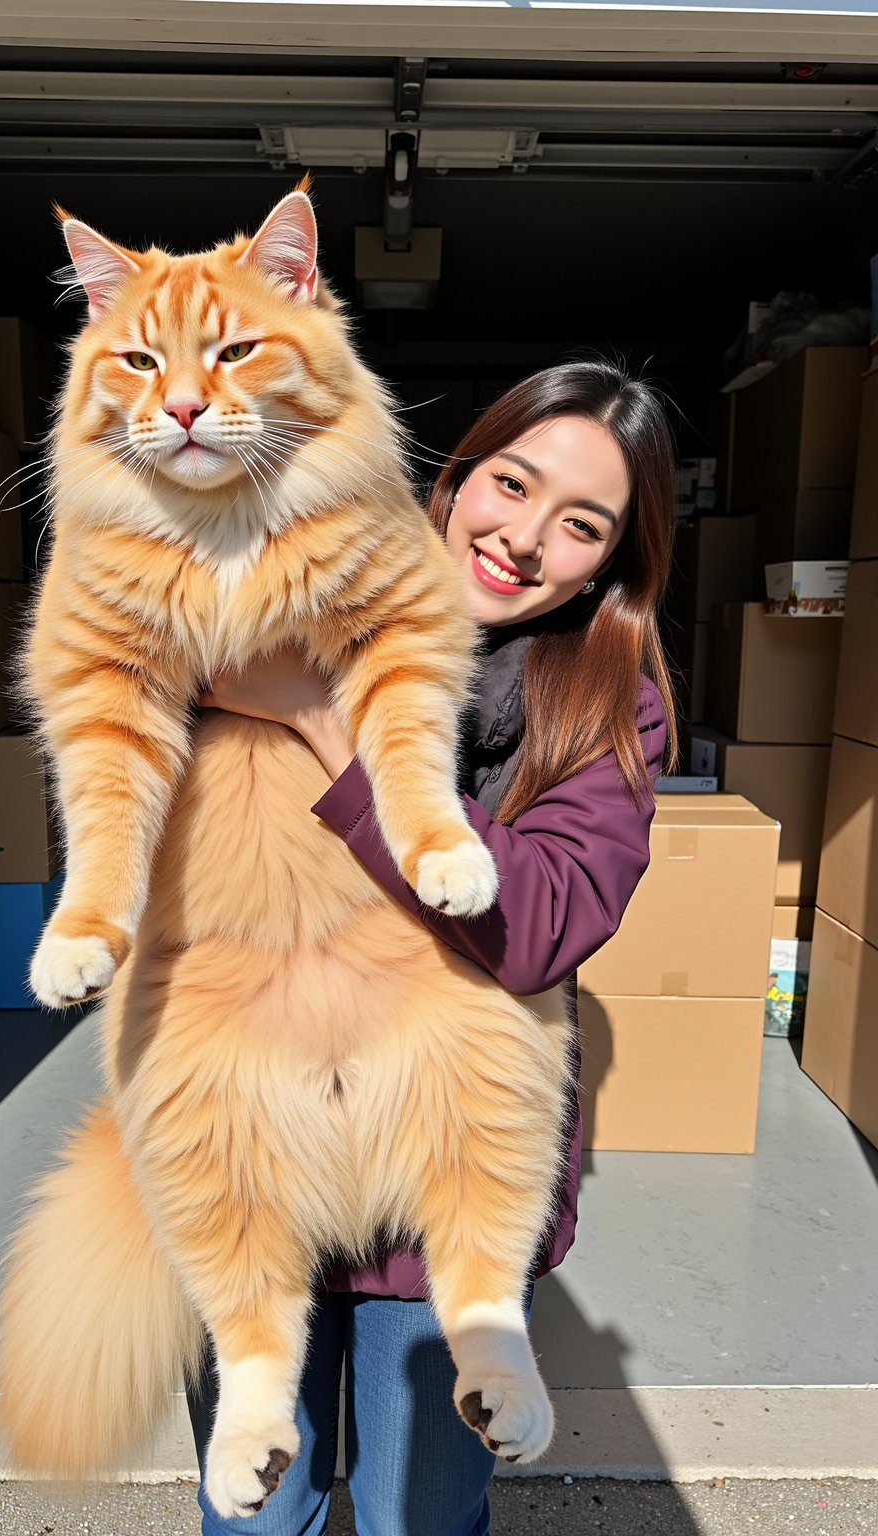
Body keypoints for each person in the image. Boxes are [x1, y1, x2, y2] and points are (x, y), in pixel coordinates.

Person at [190, 359, 677, 1536]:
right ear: (457, 476)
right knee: (255, 1517)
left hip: (436, 1184)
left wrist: (313, 718)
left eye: (579, 526)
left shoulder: (609, 702)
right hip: (259, 1146)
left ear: (609, 561)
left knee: (420, 1514)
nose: (521, 537)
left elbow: (546, 919)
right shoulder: (307, 572)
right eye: (509, 484)